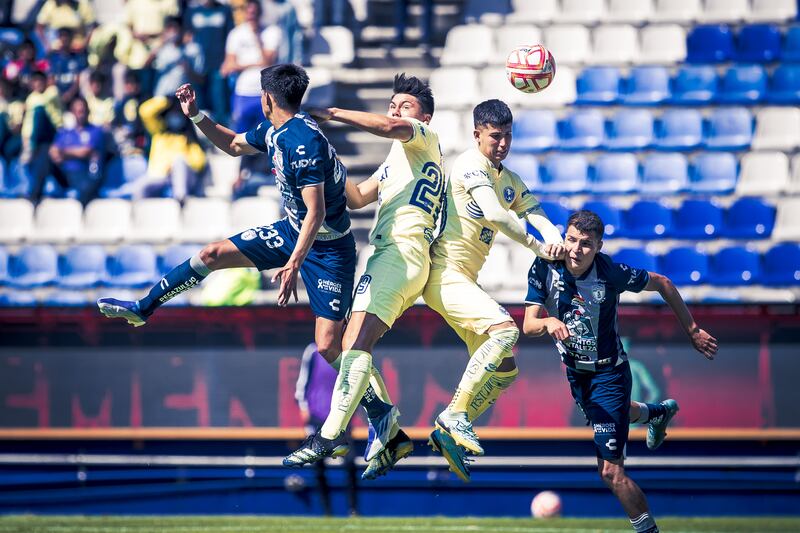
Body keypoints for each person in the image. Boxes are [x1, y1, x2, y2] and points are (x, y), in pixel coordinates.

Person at [97, 64, 395, 447]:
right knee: (213, 252)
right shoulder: (278, 130)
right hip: (293, 231)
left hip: (329, 249)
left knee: (327, 345)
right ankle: (144, 307)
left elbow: (317, 212)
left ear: (267, 98)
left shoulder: (302, 142)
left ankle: (380, 413)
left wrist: (294, 263)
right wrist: (197, 116)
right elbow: (234, 145)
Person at [283, 73, 443, 480]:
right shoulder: (396, 161)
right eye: (392, 103)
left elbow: (390, 127)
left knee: (352, 344)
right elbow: (355, 197)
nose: (395, 110)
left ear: (423, 115)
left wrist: (332, 113)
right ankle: (388, 430)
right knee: (340, 345)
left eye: (404, 105)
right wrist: (323, 157)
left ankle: (331, 434)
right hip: (391, 256)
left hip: (400, 254)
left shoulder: (422, 136)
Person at [522, 210, 718, 533]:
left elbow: (663, 283)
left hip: (608, 374)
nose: (575, 249)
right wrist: (547, 321)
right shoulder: (544, 265)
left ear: (599, 246)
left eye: (586, 244)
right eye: (571, 239)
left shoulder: (609, 273)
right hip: (576, 375)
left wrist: (693, 329)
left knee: (610, 473)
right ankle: (656, 414)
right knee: (614, 416)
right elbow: (529, 325)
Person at [421, 99, 565, 482]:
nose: (502, 144)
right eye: (495, 136)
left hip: (463, 280)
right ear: (477, 135)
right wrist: (538, 248)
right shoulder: (470, 164)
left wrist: (557, 242)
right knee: (506, 330)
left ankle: (449, 429)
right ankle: (454, 414)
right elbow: (498, 215)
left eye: (508, 137)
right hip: (444, 273)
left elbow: (535, 213)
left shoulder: (509, 179)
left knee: (505, 370)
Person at [295, 342, 358, 516]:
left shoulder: (348, 353)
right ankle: (327, 512)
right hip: (318, 417)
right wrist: (304, 409)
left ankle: (353, 509)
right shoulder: (312, 351)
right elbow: (302, 384)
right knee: (319, 464)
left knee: (350, 462)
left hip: (341, 418)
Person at [222, 0, 282, 131]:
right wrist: (255, 64)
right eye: (248, 13)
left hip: (267, 92)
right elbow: (228, 66)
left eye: (254, 13)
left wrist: (258, 37)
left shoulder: (272, 32)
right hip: (244, 91)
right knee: (242, 132)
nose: (251, 17)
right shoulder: (236, 34)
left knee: (268, 133)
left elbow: (268, 61)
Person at [47, 96, 104, 204]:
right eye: (77, 111)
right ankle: (34, 197)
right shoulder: (65, 132)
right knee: (44, 156)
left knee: (85, 189)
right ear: (72, 113)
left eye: (82, 111)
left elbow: (85, 152)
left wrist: (63, 152)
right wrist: (71, 153)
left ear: (88, 112)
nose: (80, 114)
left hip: (84, 174)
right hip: (64, 174)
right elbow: (52, 151)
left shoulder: (95, 130)